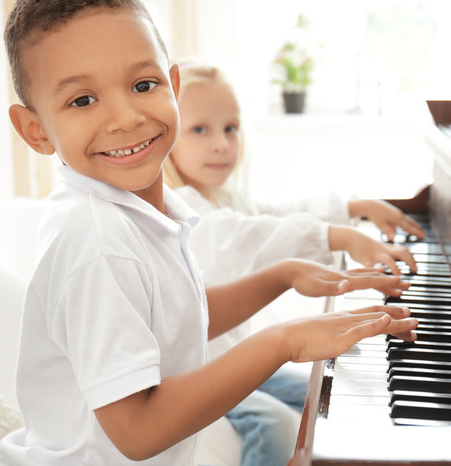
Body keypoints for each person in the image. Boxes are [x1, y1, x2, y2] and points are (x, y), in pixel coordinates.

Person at [0, 1, 419, 465]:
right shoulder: (96, 240)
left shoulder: (138, 212)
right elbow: (137, 432)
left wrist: (282, 275)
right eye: (82, 100)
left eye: (143, 85)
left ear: (173, 86)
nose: (126, 118)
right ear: (35, 130)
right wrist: (283, 340)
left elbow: (179, 320)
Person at [162, 61, 428, 465]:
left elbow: (278, 213)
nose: (221, 143)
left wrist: (351, 208)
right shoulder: (180, 206)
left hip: (235, 362)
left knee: (318, 390)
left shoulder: (224, 197)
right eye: (200, 129)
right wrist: (335, 237)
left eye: (230, 128)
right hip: (194, 376)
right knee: (273, 424)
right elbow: (243, 238)